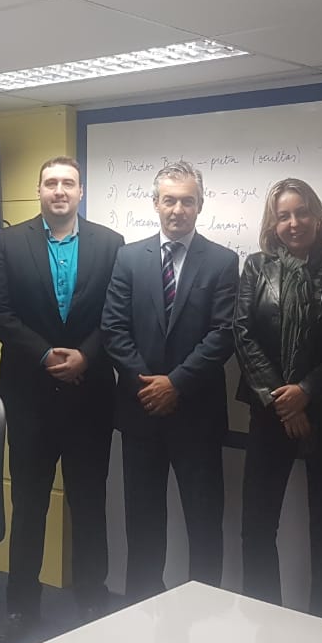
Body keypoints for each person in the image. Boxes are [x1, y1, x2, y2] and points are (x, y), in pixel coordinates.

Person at [0, 157, 124, 638]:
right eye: (50, 183)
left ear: (81, 191)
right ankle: (21, 603)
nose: (59, 190)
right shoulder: (9, 241)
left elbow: (116, 314)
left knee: (89, 502)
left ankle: (91, 596)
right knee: (29, 503)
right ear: (37, 190)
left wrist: (85, 356)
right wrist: (45, 355)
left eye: (68, 183)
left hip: (90, 396)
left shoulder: (110, 243)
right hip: (29, 398)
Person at [101, 160, 240, 601]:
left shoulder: (222, 261)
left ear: (200, 204)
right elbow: (113, 328)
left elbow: (224, 334)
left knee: (204, 521)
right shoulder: (127, 257)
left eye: (187, 200)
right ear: (155, 203)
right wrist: (150, 384)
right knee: (142, 520)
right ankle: (142, 604)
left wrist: (175, 384)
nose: (177, 209)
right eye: (169, 200)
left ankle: (203, 605)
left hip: (195, 413)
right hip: (141, 413)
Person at [234, 178, 322, 620]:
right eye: (283, 215)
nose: (294, 223)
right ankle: (265, 619)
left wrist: (306, 391)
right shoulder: (256, 267)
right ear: (273, 224)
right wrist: (281, 398)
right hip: (269, 410)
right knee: (256, 526)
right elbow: (243, 332)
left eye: (302, 212)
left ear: (317, 216)